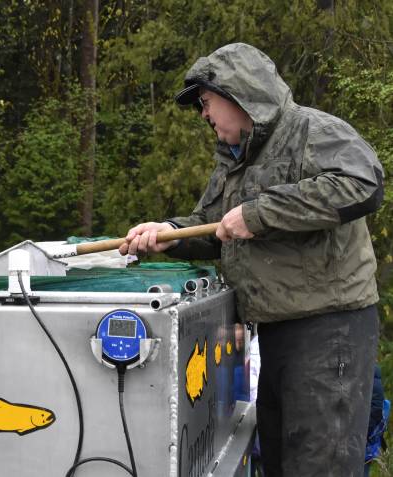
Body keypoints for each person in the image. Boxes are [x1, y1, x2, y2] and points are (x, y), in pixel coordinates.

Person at [120, 43, 383, 476]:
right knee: (280, 463)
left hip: (329, 330)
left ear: (240, 94)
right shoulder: (235, 160)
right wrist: (168, 234)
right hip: (276, 332)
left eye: (206, 102)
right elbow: (213, 226)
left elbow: (363, 183)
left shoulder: (310, 130)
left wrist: (259, 215)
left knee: (321, 465)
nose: (203, 115)